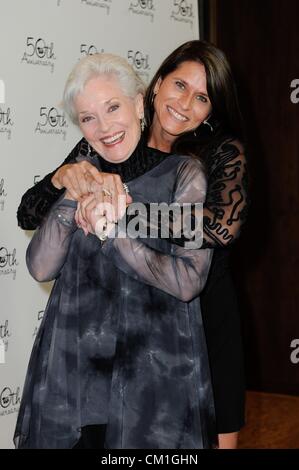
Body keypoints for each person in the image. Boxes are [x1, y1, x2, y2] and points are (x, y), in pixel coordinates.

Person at [17, 40, 249, 448]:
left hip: (202, 315)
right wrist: (67, 180)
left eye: (201, 97)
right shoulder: (102, 145)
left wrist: (121, 210)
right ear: (155, 88)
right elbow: (29, 213)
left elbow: (219, 228)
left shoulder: (210, 157)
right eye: (179, 85)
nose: (185, 103)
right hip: (113, 329)